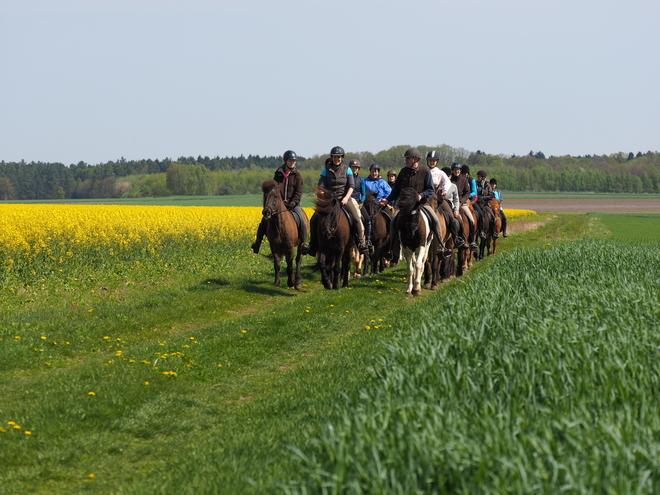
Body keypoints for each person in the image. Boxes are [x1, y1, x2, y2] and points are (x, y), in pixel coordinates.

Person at [380, 147, 451, 259]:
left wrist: (421, 195)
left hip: (422, 204)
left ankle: (440, 248)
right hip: (406, 206)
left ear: (415, 159)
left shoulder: (425, 172)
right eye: (406, 158)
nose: (406, 160)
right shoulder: (403, 172)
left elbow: (431, 190)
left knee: (435, 220)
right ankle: (393, 252)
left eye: (408, 158)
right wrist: (387, 200)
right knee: (393, 222)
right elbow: (396, 190)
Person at [308, 146, 369, 256]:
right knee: (314, 219)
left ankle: (360, 243)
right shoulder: (326, 170)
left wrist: (346, 198)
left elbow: (351, 186)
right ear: (332, 158)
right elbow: (321, 187)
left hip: (344, 199)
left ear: (342, 158)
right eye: (335, 157)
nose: (337, 159)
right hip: (329, 201)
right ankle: (313, 245)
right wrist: (324, 196)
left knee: (356, 218)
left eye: (339, 157)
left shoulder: (347, 169)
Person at [251, 150, 309, 254]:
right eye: (290, 160)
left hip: (293, 205)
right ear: (285, 161)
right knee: (264, 220)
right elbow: (273, 191)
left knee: (301, 218)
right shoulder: (278, 174)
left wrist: (292, 203)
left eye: (294, 161)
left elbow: (298, 193)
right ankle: (257, 243)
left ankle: (304, 242)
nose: (292, 163)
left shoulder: (298, 176)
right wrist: (277, 203)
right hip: (279, 205)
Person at [451, 162, 478, 251]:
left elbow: (467, 192)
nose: (457, 171)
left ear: (460, 171)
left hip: (462, 203)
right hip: (451, 203)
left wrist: (461, 202)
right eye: (455, 170)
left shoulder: (464, 180)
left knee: (472, 220)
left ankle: (472, 241)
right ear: (453, 171)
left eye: (458, 170)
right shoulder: (450, 180)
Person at [441, 166, 466, 248]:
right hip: (438, 204)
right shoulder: (437, 185)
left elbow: (456, 199)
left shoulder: (453, 186)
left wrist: (456, 210)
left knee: (457, 220)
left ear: (450, 176)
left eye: (447, 176)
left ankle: (458, 238)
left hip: (449, 205)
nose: (445, 178)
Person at [462, 164, 484, 238]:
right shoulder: (459, 179)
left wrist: (468, 196)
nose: (463, 175)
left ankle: (481, 231)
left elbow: (475, 192)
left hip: (470, 200)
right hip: (461, 200)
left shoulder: (472, 180)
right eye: (462, 174)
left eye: (464, 174)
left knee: (480, 214)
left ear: (467, 173)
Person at [475, 169, 497, 238]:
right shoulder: (475, 183)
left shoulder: (487, 185)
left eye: (479, 177)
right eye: (477, 176)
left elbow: (490, 195)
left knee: (492, 216)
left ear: (483, 177)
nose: (478, 178)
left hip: (485, 203)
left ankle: (494, 232)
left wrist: (484, 198)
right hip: (477, 202)